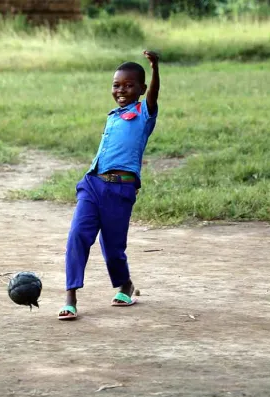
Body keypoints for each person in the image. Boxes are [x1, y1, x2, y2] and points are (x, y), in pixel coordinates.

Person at [58, 51, 160, 321]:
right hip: (93, 183)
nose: (121, 90)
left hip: (120, 190)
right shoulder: (113, 115)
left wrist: (155, 67)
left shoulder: (144, 114)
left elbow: (154, 97)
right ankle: (70, 296)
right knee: (78, 234)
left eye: (128, 85)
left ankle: (125, 285)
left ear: (141, 88)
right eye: (116, 85)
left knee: (113, 247)